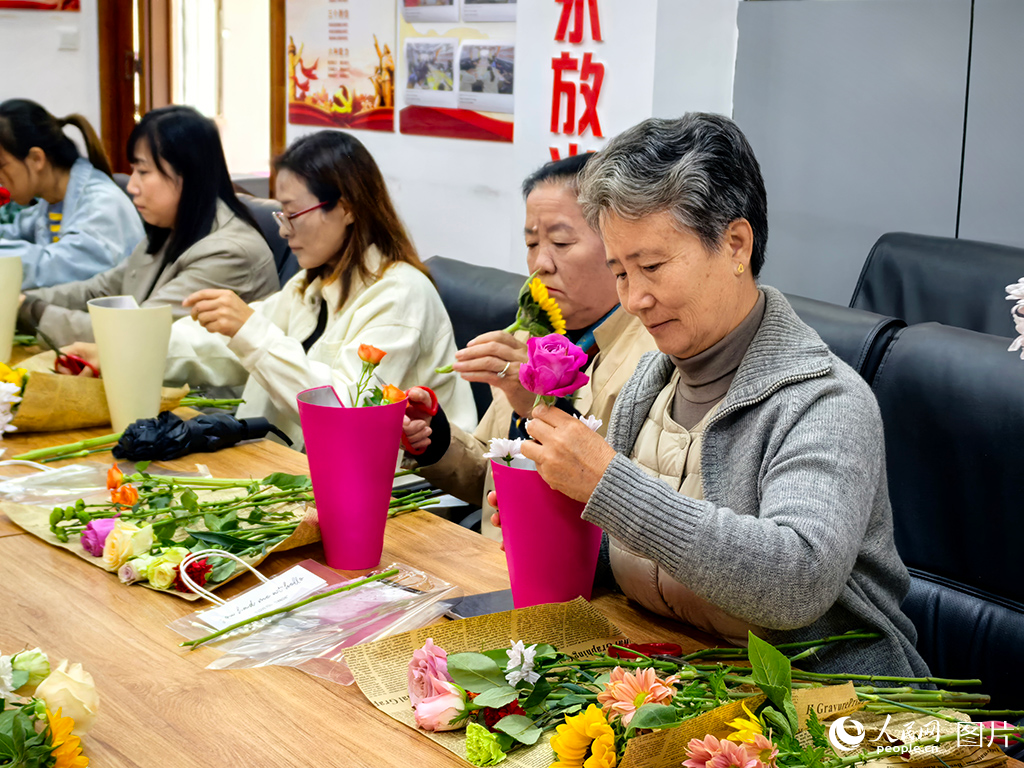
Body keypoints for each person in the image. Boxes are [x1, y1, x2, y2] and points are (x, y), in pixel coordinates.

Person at [498, 113, 928, 677]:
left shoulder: (826, 405)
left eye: (651, 266)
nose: (635, 299)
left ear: (735, 244)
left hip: (831, 710)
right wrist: (550, 505)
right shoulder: (649, 384)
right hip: (679, 676)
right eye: (621, 272)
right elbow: (623, 559)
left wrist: (606, 483)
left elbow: (793, 583)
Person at [68, 129, 476, 449]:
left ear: (348, 207)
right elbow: (223, 349)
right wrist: (127, 351)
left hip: (398, 495)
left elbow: (346, 409)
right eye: (281, 213)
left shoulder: (400, 294)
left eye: (295, 214)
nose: (284, 230)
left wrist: (249, 330)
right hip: (299, 464)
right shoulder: (313, 282)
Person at [403, 153, 655, 516]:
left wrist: (536, 405)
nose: (540, 264)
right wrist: (435, 436)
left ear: (616, 245)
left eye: (562, 243)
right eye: (532, 244)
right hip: (496, 556)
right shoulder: (532, 335)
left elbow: (619, 511)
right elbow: (489, 480)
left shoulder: (651, 355)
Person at [16, 105, 278, 347]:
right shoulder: (171, 228)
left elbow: (137, 336)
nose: (131, 187)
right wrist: (24, 299)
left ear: (188, 174)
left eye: (143, 172)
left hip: (205, 393)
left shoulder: (229, 254)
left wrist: (29, 310)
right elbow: (100, 289)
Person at [0, 99, 144, 289]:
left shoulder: (103, 204)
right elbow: (14, 232)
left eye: (1, 165)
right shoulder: (50, 201)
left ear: (36, 159)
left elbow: (52, 268)